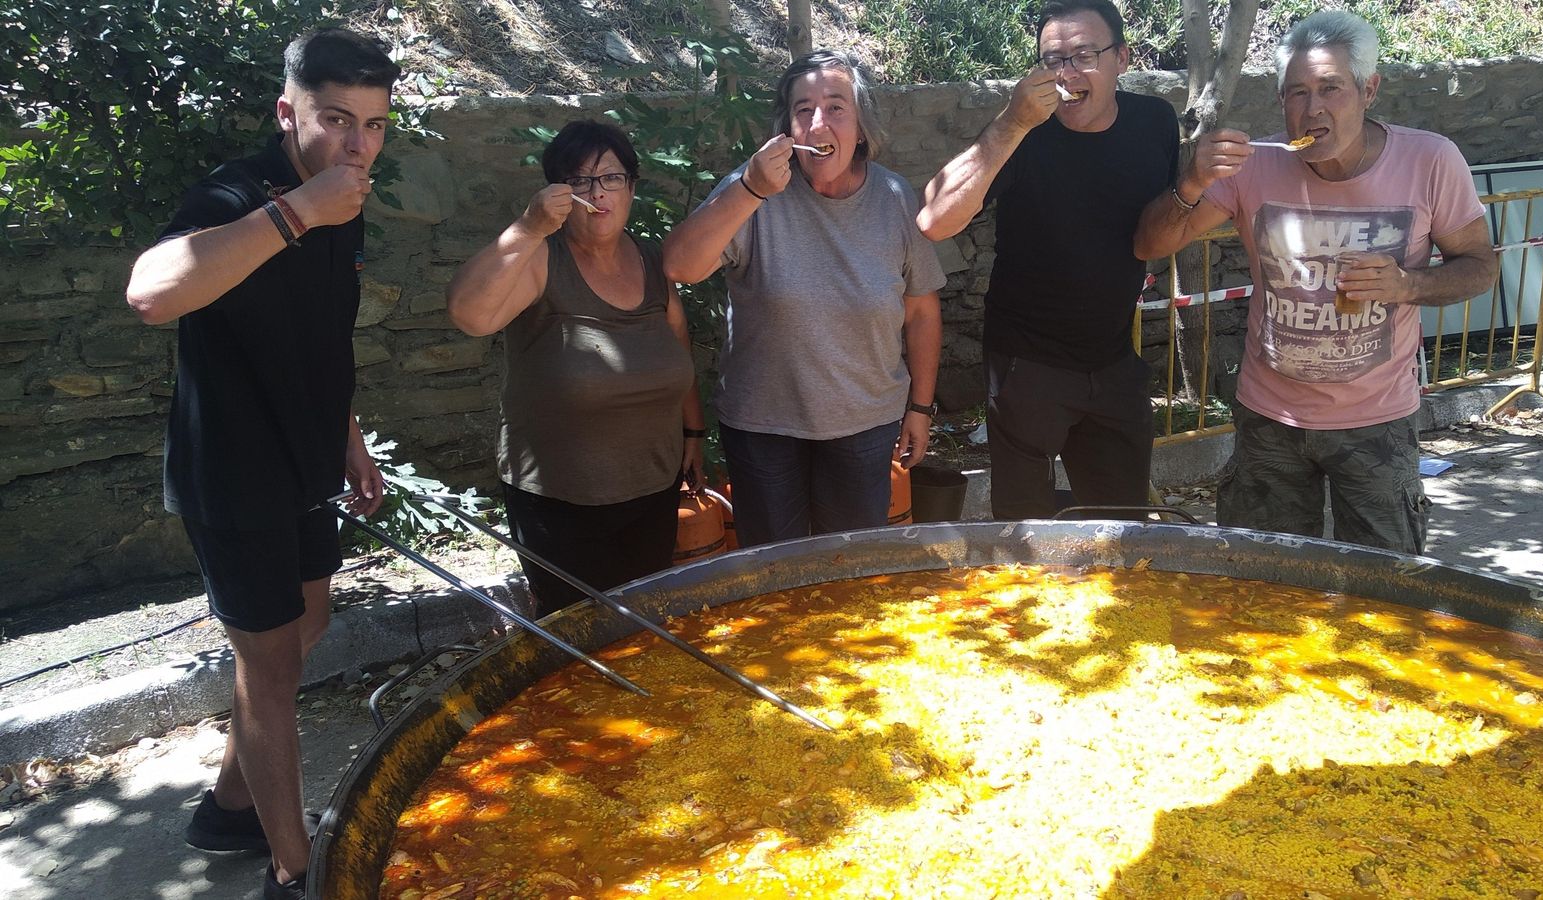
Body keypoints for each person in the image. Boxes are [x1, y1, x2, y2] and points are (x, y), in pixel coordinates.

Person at [124, 28, 395, 900]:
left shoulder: (343, 205)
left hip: (308, 463)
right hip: (233, 474)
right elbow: (151, 293)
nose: (356, 145)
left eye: (375, 126)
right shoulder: (236, 194)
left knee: (302, 630)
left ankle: (231, 806)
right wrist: (296, 212)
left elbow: (319, 337)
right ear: (288, 111)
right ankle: (295, 870)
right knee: (271, 667)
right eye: (335, 120)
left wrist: (348, 436)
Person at [1132, 10, 1496, 553]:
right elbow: (1150, 245)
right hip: (1269, 417)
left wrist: (1407, 286)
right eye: (1296, 93)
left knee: (1384, 590)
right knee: (1263, 579)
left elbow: (1481, 266)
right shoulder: (1255, 166)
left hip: (1378, 420)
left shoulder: (1430, 160)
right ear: (1281, 100)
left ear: (1369, 89)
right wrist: (1193, 178)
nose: (1313, 108)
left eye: (1331, 88)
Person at [662, 50, 945, 546]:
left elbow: (921, 308)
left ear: (861, 128)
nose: (818, 124)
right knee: (773, 572)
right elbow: (679, 267)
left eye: (836, 107)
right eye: (803, 110)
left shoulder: (896, 197)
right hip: (764, 428)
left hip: (865, 424)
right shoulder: (752, 191)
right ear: (785, 130)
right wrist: (751, 188)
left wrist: (920, 407)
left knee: (852, 569)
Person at [918, 0, 1177, 520]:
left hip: (1112, 361)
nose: (1066, 74)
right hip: (1026, 364)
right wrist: (1011, 124)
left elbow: (1156, 229)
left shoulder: (1154, 122)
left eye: (1084, 55)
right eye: (1052, 59)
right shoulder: (1023, 132)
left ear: (1122, 58)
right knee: (1023, 530)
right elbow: (935, 220)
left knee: (1123, 527)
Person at [447, 120, 705, 616]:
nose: (597, 193)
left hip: (652, 489)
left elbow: (678, 345)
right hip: (558, 503)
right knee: (575, 643)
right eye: (580, 180)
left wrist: (693, 431)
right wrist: (528, 227)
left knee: (642, 628)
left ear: (632, 186)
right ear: (558, 191)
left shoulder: (654, 263)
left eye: (611, 177)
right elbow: (468, 313)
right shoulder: (543, 258)